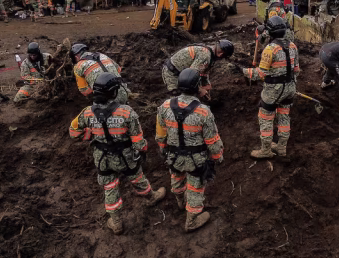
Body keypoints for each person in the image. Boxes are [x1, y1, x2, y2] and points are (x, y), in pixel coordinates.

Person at [69, 73, 166, 235]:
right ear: (113, 92)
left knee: (110, 187)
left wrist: (90, 135)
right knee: (137, 178)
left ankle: (116, 222)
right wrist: (143, 151)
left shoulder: (86, 113)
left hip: (102, 158)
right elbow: (138, 141)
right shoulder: (126, 112)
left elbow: (73, 132)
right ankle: (151, 197)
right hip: (125, 157)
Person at [156, 68, 224, 232]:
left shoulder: (165, 106)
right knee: (195, 188)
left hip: (174, 156)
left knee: (177, 178)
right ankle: (192, 220)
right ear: (197, 86)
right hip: (196, 160)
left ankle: (180, 201)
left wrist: (163, 150)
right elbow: (212, 140)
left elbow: (160, 134)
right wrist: (218, 156)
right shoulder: (203, 111)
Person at [238, 16, 300, 158]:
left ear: (270, 32)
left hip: (273, 90)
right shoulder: (292, 46)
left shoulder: (270, 49)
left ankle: (265, 150)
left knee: (266, 117)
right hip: (290, 88)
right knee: (284, 116)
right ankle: (281, 147)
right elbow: (296, 70)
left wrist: (244, 71)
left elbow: (260, 74)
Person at [161, 40, 234, 95]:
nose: (220, 56)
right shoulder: (206, 56)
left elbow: (203, 72)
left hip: (180, 71)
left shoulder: (209, 53)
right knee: (179, 98)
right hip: (172, 73)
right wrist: (200, 90)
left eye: (223, 56)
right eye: (222, 55)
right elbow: (191, 77)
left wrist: (206, 85)